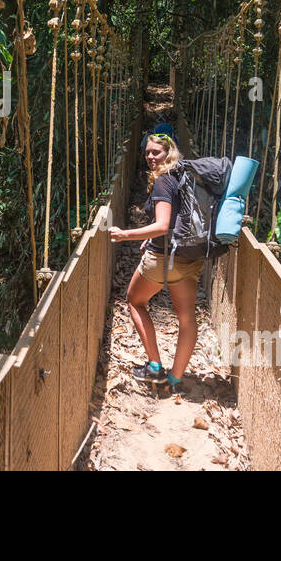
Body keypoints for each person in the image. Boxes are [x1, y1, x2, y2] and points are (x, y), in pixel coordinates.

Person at [109, 131, 203, 389]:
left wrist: (125, 234)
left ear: (168, 152)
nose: (150, 157)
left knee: (134, 301)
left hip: (164, 258)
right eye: (147, 152)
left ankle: (154, 367)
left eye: (156, 152)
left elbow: (162, 226)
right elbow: (176, 219)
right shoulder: (185, 175)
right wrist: (148, 237)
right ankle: (175, 378)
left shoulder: (163, 181)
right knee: (186, 317)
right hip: (189, 256)